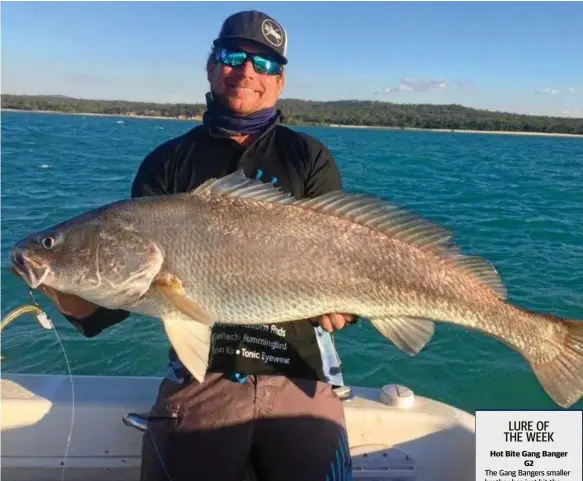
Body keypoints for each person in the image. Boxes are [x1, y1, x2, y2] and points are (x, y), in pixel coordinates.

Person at [26, 10, 357, 481]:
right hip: (203, 379)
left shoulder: (308, 157)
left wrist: (348, 308)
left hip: (301, 375)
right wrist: (59, 278)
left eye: (264, 64)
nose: (246, 71)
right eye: (232, 55)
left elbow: (345, 257)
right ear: (210, 65)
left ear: (280, 81)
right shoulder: (166, 165)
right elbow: (112, 305)